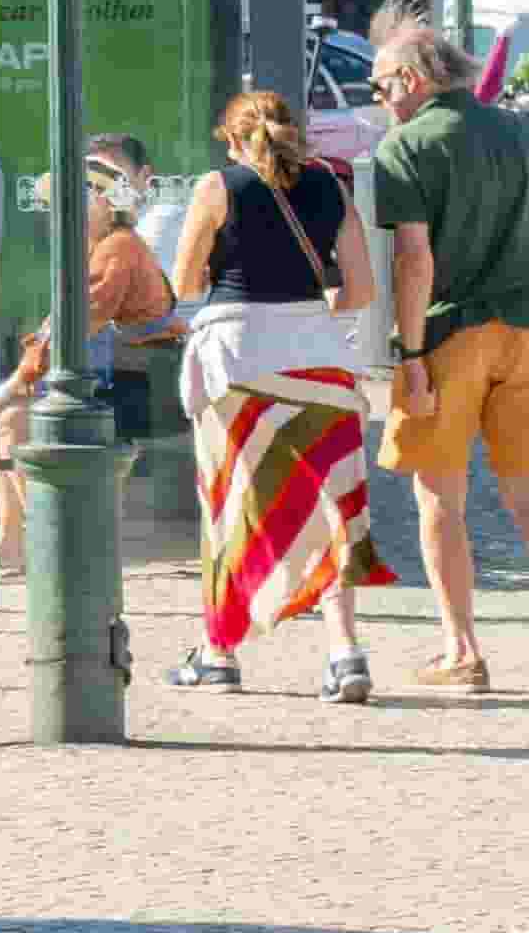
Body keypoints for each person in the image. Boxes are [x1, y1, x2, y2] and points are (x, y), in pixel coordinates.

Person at [365, 7, 529, 699]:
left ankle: (462, 649)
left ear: (413, 79)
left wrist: (410, 356)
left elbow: (413, 260)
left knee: (439, 496)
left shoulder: (408, 147)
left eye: (382, 85)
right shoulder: (527, 133)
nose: (380, 99)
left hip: (450, 334)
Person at [160, 83, 392, 702]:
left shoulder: (216, 189)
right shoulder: (330, 188)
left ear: (232, 139)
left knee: (229, 502)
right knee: (333, 508)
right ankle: (346, 655)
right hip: (320, 358)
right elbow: (362, 290)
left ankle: (219, 652)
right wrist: (306, 316)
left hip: (235, 359)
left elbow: (184, 281)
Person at [0, 141, 182, 579]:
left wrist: (9, 387)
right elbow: (60, 325)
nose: (63, 211)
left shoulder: (116, 249)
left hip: (136, 393)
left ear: (107, 203)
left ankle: (53, 541)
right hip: (119, 385)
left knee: (12, 422)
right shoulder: (101, 248)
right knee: (9, 424)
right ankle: (16, 542)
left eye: (80, 197)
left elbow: (70, 325)